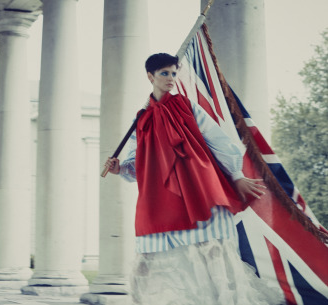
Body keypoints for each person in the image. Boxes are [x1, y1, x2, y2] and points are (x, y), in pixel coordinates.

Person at [105, 53, 284, 305]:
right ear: (150, 76)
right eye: (164, 73)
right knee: (146, 260)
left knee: (214, 256)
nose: (171, 78)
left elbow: (220, 142)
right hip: (159, 200)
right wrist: (119, 169)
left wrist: (236, 176)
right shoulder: (141, 119)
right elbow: (138, 166)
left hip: (201, 191)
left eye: (174, 73)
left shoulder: (188, 107)